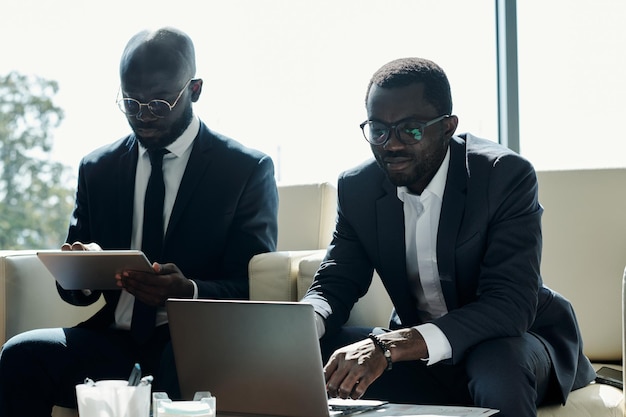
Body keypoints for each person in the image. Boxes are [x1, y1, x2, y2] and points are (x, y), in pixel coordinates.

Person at [0, 27, 278, 416]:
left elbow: (255, 285)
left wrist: (190, 290)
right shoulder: (98, 168)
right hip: (111, 340)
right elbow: (75, 292)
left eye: (159, 104)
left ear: (194, 89)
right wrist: (77, 273)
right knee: (21, 356)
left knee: (176, 370)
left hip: (193, 344)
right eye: (131, 103)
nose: (144, 116)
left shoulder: (245, 169)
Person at [301, 57, 595, 417]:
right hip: (418, 351)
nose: (390, 145)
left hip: (515, 340)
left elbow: (509, 305)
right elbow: (336, 282)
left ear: (447, 127)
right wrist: (298, 327)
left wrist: (389, 347)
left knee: (499, 365)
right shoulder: (358, 187)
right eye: (378, 129)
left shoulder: (503, 176)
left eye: (410, 130)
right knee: (315, 350)